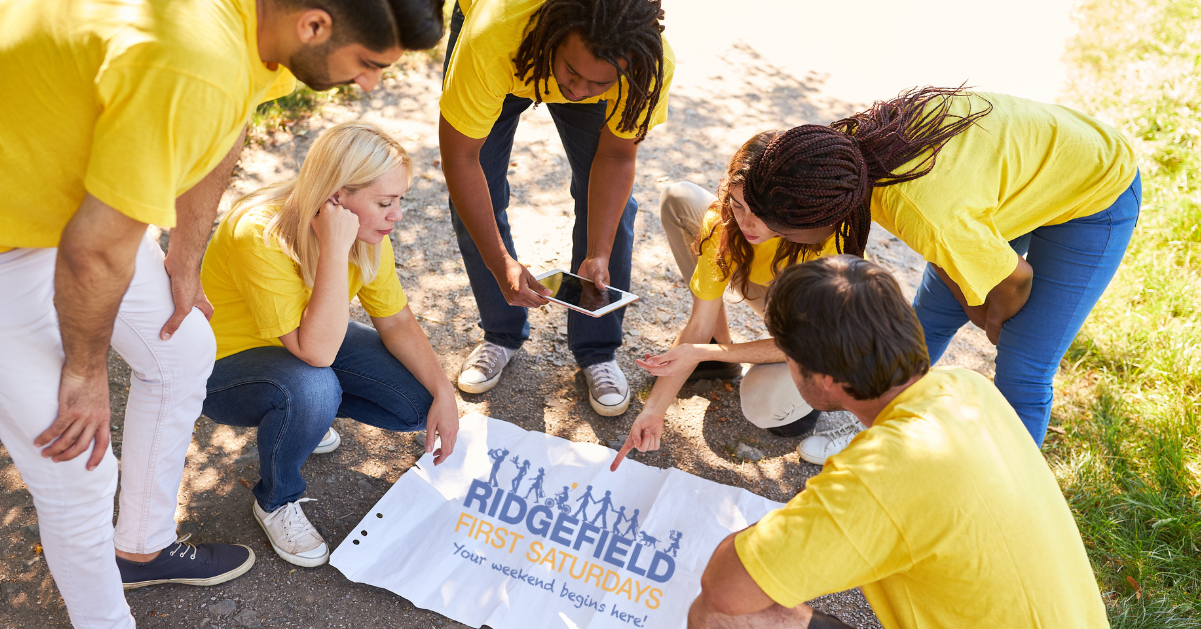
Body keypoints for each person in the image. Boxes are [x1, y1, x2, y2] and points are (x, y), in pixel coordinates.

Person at [0, 0, 443, 624]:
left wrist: (185, 255)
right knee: (78, 462)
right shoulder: (198, 61)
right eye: (368, 64)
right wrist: (84, 372)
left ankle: (142, 548)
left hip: (77, 216)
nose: (371, 84)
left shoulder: (261, 36)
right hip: (15, 244)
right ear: (315, 25)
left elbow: (228, 130)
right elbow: (93, 255)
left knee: (181, 352)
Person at [688, 256, 1109, 629]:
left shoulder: (879, 475)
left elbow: (726, 587)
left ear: (826, 379)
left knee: (720, 614)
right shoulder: (967, 387)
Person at [740, 87, 1139, 456]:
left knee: (1024, 369)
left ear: (827, 213)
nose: (779, 237)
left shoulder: (925, 214)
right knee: (923, 324)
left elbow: (1015, 280)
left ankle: (1002, 498)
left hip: (1095, 187)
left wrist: (993, 321)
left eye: (785, 231)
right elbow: (947, 249)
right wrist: (969, 298)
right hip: (1015, 180)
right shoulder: (840, 162)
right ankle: (884, 436)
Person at [200, 121, 459, 567]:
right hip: (222, 368)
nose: (396, 214)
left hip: (303, 343)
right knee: (314, 387)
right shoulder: (259, 233)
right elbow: (317, 353)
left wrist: (445, 391)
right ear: (336, 198)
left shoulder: (371, 232)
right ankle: (276, 499)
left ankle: (299, 422)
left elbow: (395, 319)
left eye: (399, 200)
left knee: (418, 403)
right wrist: (335, 249)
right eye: (384, 202)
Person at [439, 0, 675, 416]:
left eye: (600, 84)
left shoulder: (645, 63)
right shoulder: (493, 37)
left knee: (611, 211)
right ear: (555, 38)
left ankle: (598, 350)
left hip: (554, 53)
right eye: (573, 73)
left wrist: (598, 251)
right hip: (517, 51)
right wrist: (500, 263)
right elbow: (462, 159)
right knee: (476, 200)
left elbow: (617, 157)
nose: (580, 91)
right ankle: (500, 333)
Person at [612, 131, 857, 472]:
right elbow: (699, 324)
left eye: (759, 212)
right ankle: (717, 359)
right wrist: (653, 410)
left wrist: (702, 352)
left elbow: (803, 345)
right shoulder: (728, 223)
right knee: (679, 197)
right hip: (772, 288)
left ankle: (816, 399)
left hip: (819, 338)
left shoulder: (820, 238)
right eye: (738, 205)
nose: (747, 223)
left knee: (763, 407)